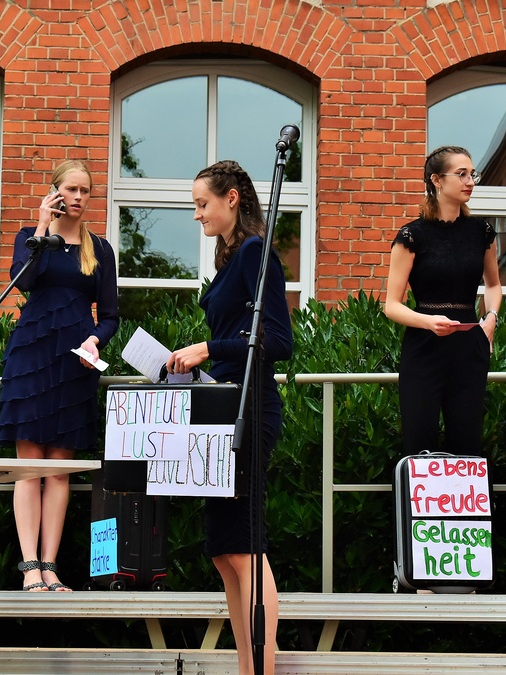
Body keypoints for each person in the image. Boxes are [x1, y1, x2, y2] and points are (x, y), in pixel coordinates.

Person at [166, 160, 293, 675]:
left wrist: (205, 348)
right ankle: (247, 667)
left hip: (251, 410)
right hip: (223, 410)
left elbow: (279, 341)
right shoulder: (232, 258)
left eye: (203, 204)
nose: (198, 215)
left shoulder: (255, 252)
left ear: (232, 198)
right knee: (223, 552)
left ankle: (262, 668)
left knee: (244, 547)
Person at [0, 159, 119, 592]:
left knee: (60, 471)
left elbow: (109, 316)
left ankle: (50, 566)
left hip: (74, 361)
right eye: (71, 190)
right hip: (31, 357)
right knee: (29, 468)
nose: (79, 198)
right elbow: (22, 282)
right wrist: (41, 228)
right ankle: (29, 566)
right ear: (55, 192)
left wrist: (95, 342)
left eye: (86, 191)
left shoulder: (100, 249)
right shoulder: (32, 241)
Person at [384, 145, 502, 456]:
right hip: (424, 346)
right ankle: (420, 506)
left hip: (469, 346)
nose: (470, 181)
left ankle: (466, 507)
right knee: (419, 440)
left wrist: (491, 319)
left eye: (472, 174)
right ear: (436, 180)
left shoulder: (481, 231)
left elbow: (494, 286)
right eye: (461, 174)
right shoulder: (412, 235)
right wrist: (428, 322)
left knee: (467, 441)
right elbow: (391, 305)